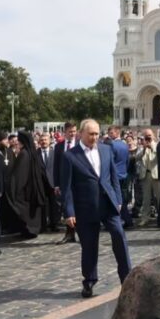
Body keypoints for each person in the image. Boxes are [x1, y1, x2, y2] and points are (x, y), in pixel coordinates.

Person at [60, 119, 131, 297]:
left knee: (119, 236)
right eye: (91, 134)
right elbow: (66, 187)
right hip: (85, 208)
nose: (94, 137)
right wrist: (69, 212)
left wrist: (118, 199)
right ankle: (89, 281)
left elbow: (113, 176)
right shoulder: (70, 156)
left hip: (108, 204)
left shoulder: (107, 150)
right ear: (81, 134)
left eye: (97, 134)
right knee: (89, 246)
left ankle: (127, 278)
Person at [7, 131, 49, 238]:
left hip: (26, 189)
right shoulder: (31, 152)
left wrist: (14, 187)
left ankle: (29, 230)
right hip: (33, 187)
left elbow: (20, 174)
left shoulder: (24, 153)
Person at [53, 122, 78, 244]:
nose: (73, 134)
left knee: (78, 207)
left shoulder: (80, 144)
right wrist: (56, 184)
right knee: (67, 207)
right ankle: (69, 234)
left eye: (74, 131)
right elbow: (56, 166)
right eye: (70, 132)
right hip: (64, 181)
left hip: (78, 181)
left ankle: (81, 233)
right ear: (65, 132)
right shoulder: (59, 146)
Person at [106, 126, 133, 229]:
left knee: (115, 199)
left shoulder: (112, 145)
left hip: (115, 175)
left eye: (111, 133)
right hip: (123, 174)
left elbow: (110, 161)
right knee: (123, 199)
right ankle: (127, 219)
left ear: (117, 133)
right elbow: (127, 160)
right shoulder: (124, 145)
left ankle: (120, 220)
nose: (109, 135)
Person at [136, 128, 160, 227]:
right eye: (146, 136)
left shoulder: (158, 145)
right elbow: (137, 158)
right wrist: (144, 148)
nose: (148, 138)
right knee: (146, 198)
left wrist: (152, 147)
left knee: (159, 197)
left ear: (153, 136)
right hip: (145, 175)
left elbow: (159, 157)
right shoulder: (142, 146)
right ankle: (145, 218)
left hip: (156, 175)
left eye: (149, 136)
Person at [37, 133, 59, 232]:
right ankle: (42, 226)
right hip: (41, 184)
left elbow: (57, 168)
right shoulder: (35, 154)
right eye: (42, 140)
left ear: (49, 141)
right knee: (42, 205)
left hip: (53, 183)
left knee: (53, 204)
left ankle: (54, 224)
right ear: (39, 142)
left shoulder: (54, 153)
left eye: (45, 140)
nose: (44, 142)